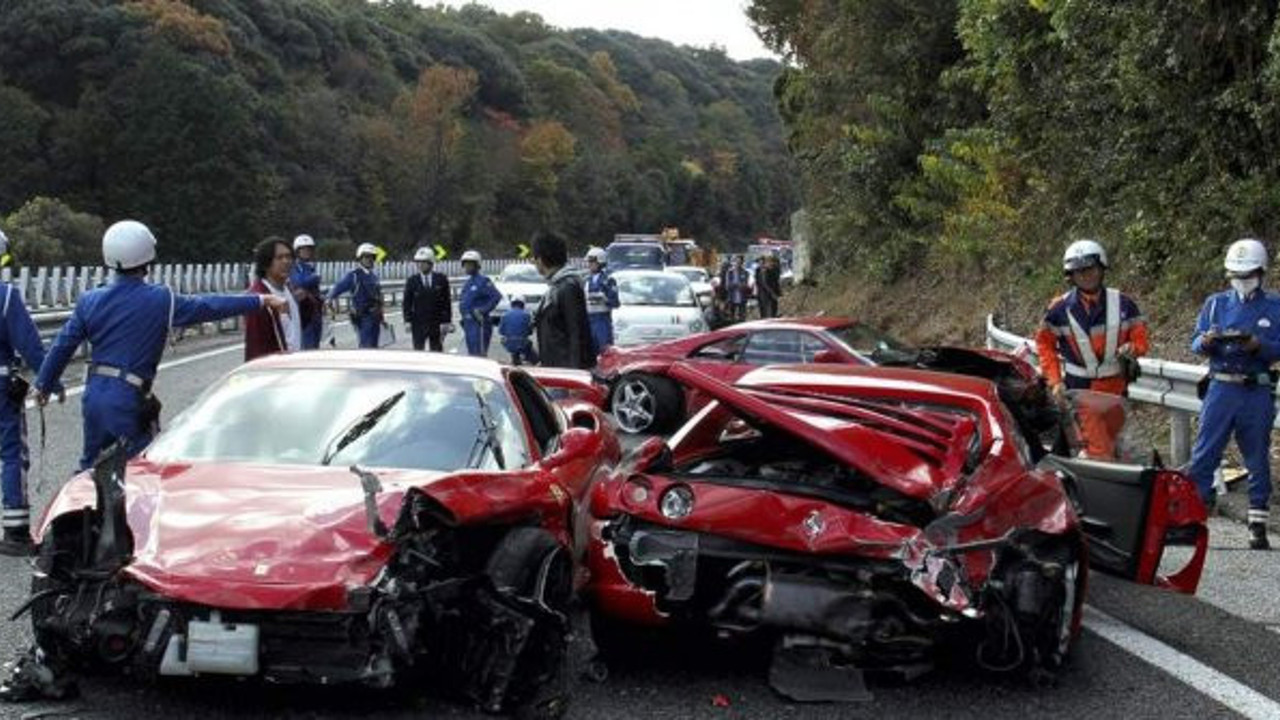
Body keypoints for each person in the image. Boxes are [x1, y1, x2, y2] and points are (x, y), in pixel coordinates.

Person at [35, 220, 287, 471]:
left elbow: (62, 345)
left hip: (94, 394)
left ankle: (78, 508)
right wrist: (259, 300)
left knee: (91, 469)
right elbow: (209, 306)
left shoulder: (89, 300)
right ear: (147, 257)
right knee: (139, 471)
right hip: (128, 396)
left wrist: (45, 384)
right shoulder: (159, 299)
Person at [1189, 238, 1280, 550]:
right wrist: (1207, 342)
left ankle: (1257, 522)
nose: (1242, 281)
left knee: (1256, 456)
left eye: (1248, 274)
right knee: (1205, 452)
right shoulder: (1215, 303)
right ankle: (1193, 518)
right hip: (1220, 387)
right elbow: (1195, 341)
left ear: (1261, 272)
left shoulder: (1275, 306)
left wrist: (1261, 347)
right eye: (1236, 275)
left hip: (1255, 389)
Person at [1034, 239, 1149, 458]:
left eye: (1090, 269)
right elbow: (1044, 344)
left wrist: (1132, 348)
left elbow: (1141, 340)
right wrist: (1055, 381)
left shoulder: (1124, 303)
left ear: (1101, 268)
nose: (1086, 276)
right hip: (1081, 389)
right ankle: (1104, 489)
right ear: (1071, 277)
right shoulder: (1059, 308)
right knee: (1099, 451)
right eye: (1079, 272)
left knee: (1117, 445)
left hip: (1116, 388)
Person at [0, 229, 59, 555]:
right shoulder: (6, 296)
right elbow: (31, 346)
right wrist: (51, 380)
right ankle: (16, 531)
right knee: (10, 454)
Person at [532, 232, 593, 369]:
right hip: (554, 366)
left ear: (540, 260)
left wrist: (574, 374)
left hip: (565, 371)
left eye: (534, 258)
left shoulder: (567, 287)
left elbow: (576, 333)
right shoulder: (555, 286)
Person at [245, 238, 300, 361]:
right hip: (273, 370)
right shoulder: (259, 298)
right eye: (279, 258)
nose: (286, 261)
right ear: (265, 263)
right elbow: (257, 346)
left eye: (289, 256)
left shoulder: (289, 290)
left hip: (295, 365)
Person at [327, 243, 383, 349]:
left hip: (375, 316)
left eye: (372, 257)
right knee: (366, 346)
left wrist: (382, 317)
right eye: (366, 257)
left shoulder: (374, 276)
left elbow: (378, 297)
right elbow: (338, 287)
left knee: (375, 348)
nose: (369, 259)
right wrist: (330, 298)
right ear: (360, 258)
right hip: (363, 317)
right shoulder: (354, 275)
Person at [403, 247, 453, 352]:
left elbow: (446, 302)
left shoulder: (441, 279)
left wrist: (447, 321)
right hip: (418, 323)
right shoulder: (412, 281)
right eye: (418, 262)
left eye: (424, 262)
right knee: (418, 350)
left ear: (431, 263)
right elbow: (407, 302)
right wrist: (407, 320)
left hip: (436, 322)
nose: (420, 265)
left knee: (436, 350)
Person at [458, 250, 502, 357]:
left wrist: (482, 310)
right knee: (471, 355)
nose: (467, 267)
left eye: (470, 264)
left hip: (479, 325)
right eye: (465, 264)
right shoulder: (468, 283)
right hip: (468, 324)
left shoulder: (483, 281)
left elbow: (496, 296)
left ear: (477, 265)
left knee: (479, 355)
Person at [584, 246, 620, 357]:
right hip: (589, 319)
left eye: (592, 261)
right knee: (589, 351)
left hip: (602, 319)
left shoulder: (608, 280)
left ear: (600, 261)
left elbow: (615, 302)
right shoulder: (586, 280)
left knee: (605, 351)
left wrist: (604, 298)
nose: (589, 264)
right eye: (589, 261)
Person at [290, 234, 323, 349]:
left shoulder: (311, 267)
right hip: (303, 313)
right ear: (297, 251)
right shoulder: (294, 267)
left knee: (315, 345)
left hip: (316, 311)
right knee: (307, 346)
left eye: (309, 249)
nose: (307, 252)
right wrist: (315, 278)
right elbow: (299, 282)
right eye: (303, 249)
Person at [498, 297, 539, 366]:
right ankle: (535, 363)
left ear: (512, 304)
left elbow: (501, 331)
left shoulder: (505, 315)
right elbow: (530, 332)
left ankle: (516, 361)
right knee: (535, 359)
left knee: (512, 345)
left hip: (509, 343)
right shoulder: (527, 315)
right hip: (523, 343)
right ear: (523, 304)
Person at [755, 253, 782, 319]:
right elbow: (765, 284)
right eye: (771, 262)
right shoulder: (764, 271)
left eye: (774, 262)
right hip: (765, 295)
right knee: (766, 312)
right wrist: (772, 294)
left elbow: (776, 282)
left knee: (773, 311)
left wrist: (778, 292)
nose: (772, 264)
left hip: (771, 294)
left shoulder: (774, 270)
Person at [724, 256, 749, 324]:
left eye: (740, 262)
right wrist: (736, 285)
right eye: (737, 262)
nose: (738, 263)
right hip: (732, 296)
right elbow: (727, 286)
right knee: (732, 316)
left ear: (742, 263)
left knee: (742, 317)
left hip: (742, 297)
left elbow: (745, 285)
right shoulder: (730, 272)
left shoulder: (745, 272)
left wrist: (740, 286)